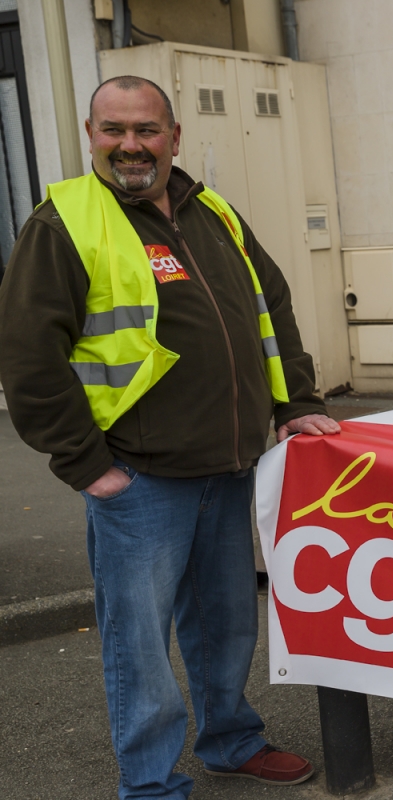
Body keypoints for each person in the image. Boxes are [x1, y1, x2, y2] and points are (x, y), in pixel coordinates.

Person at [0, 76, 340, 798]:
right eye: (114, 130)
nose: (131, 145)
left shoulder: (208, 208)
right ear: (91, 134)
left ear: (174, 136)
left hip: (229, 464)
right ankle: (150, 784)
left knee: (225, 623)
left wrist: (296, 401)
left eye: (146, 130)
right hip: (137, 477)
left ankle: (231, 739)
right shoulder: (64, 222)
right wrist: (86, 464)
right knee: (139, 645)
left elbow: (269, 304)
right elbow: (28, 355)